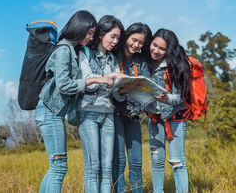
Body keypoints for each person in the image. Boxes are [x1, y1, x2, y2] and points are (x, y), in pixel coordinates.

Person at [35, 10, 114, 193]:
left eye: (93, 34)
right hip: (49, 112)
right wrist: (94, 79)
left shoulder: (71, 50)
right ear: (79, 28)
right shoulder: (64, 50)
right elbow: (64, 86)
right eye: (89, 33)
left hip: (51, 113)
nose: (91, 37)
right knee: (59, 166)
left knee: (56, 165)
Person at [77, 15, 127, 193]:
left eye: (118, 38)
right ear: (101, 34)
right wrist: (112, 77)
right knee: (93, 167)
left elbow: (115, 95)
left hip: (108, 114)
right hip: (88, 113)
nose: (115, 41)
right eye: (112, 36)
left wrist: (122, 90)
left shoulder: (113, 59)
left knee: (106, 169)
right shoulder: (85, 53)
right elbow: (87, 81)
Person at [145, 28, 191, 193]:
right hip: (154, 118)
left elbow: (181, 97)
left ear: (168, 50)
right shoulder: (146, 63)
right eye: (154, 45)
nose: (156, 51)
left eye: (162, 48)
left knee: (177, 162)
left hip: (176, 118)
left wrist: (167, 99)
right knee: (156, 161)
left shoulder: (177, 66)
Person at [112, 22, 152, 193]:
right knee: (119, 161)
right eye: (134, 40)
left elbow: (148, 86)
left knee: (136, 162)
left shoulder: (141, 61)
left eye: (141, 43)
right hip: (114, 113)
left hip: (134, 114)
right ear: (127, 36)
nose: (136, 45)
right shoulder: (114, 55)